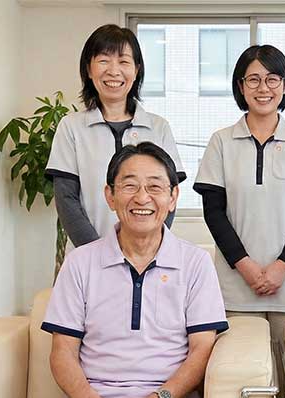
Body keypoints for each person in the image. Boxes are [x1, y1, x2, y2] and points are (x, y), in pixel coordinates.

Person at [43, 142, 227, 398]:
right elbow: (62, 351)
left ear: (173, 197)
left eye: (155, 187)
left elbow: (202, 350)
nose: (142, 198)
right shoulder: (79, 262)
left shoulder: (195, 263)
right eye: (129, 186)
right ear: (110, 196)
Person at [193, 45, 285, 341]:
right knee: (237, 366)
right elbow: (214, 213)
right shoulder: (221, 142)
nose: (263, 88)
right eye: (253, 79)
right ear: (240, 86)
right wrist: (245, 266)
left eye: (272, 79)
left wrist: (281, 267)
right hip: (235, 288)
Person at [47, 24, 186, 247]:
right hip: (87, 257)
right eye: (104, 60)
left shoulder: (159, 128)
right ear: (89, 69)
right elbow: (66, 200)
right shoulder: (71, 127)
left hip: (146, 256)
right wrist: (97, 254)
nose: (114, 71)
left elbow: (167, 198)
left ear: (136, 70)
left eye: (123, 61)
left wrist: (147, 246)